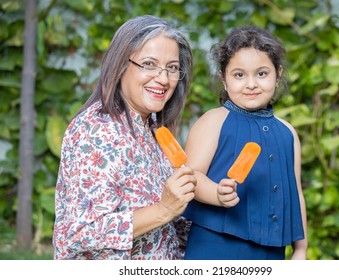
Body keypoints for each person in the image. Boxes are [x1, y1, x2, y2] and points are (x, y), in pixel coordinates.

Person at [53, 15, 196, 260]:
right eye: (149, 64)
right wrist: (163, 209)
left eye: (172, 68)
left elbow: (170, 226)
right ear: (120, 65)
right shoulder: (96, 131)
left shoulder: (152, 128)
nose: (163, 79)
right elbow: (78, 233)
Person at [183, 26, 307, 260]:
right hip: (216, 245)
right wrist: (216, 193)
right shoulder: (214, 120)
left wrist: (300, 248)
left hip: (271, 250)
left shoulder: (288, 133)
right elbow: (191, 176)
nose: (251, 84)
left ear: (277, 74)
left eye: (262, 74)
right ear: (224, 77)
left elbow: (296, 194)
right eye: (239, 75)